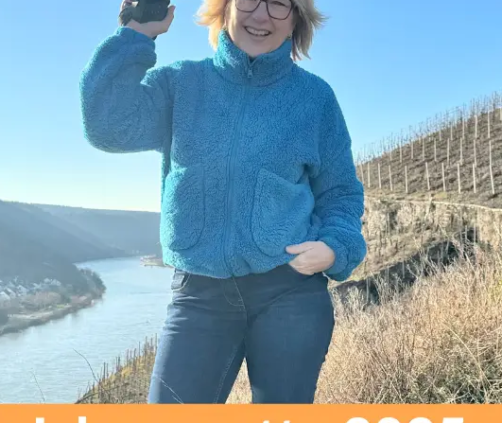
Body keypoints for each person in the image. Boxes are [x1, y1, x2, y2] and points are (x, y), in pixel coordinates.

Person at [79, 0, 366, 404]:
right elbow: (107, 126)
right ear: (225, 9)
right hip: (199, 296)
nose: (261, 15)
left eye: (280, 4)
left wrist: (335, 246)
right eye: (248, 0)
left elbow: (341, 192)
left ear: (296, 21)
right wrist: (136, 35)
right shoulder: (181, 84)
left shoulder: (314, 99)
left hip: (289, 291)